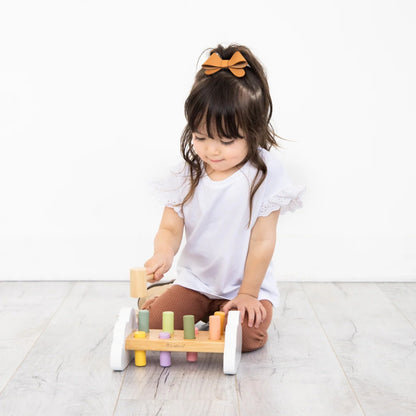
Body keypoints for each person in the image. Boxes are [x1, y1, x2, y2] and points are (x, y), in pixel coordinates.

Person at [142, 43, 304, 352]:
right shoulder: (187, 174)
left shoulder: (265, 175)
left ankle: (225, 311)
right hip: (196, 283)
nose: (211, 151)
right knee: (151, 325)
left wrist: (248, 294)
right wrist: (164, 253)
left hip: (243, 287)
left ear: (253, 131)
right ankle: (170, 297)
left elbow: (262, 241)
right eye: (201, 137)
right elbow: (170, 228)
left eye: (226, 141)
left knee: (245, 337)